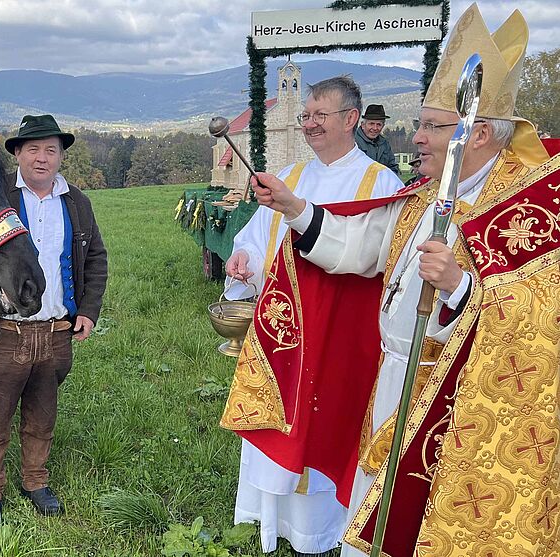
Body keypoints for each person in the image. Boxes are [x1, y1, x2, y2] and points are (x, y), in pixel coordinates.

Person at [222, 5, 556, 556]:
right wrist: (297, 209)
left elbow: (542, 316)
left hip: (455, 396)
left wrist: (460, 289)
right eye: (420, 123)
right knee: (376, 507)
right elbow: (362, 247)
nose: (416, 136)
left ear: (476, 134)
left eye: (431, 126)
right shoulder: (424, 196)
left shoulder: (529, 206)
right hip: (392, 375)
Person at [221, 76, 403, 555]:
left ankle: (323, 530)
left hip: (339, 337)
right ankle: (275, 521)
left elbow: (368, 257)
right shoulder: (294, 175)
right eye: (306, 116)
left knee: (327, 427)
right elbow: (261, 239)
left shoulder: (379, 182)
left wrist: (297, 215)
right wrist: (243, 262)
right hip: (286, 336)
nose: (310, 124)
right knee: (282, 422)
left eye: (321, 115)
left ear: (351, 120)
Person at [0, 114, 108, 531]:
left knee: (42, 414)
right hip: (6, 332)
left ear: (62, 155)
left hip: (56, 333)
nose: (42, 158)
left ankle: (35, 482)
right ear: (16, 154)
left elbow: (97, 260)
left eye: (51, 149)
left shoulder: (77, 203)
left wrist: (86, 311)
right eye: (33, 149)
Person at [354, 104, 399, 174]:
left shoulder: (385, 144)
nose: (375, 128)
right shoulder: (352, 142)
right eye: (371, 124)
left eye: (378, 124)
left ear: (383, 126)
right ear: (363, 125)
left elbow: (393, 167)